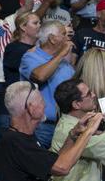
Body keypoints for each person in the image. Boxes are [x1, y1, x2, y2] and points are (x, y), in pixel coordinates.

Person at [19, 20, 75, 148]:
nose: (68, 38)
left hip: (63, 126)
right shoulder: (31, 57)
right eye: (63, 34)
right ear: (52, 39)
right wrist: (62, 54)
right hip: (41, 127)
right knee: (37, 166)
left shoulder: (64, 64)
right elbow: (40, 76)